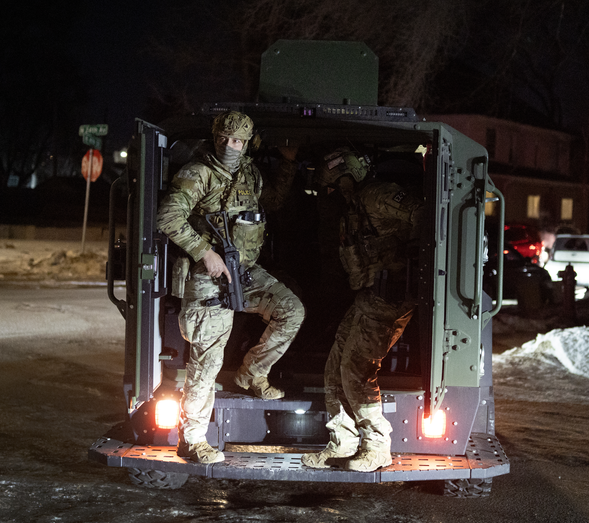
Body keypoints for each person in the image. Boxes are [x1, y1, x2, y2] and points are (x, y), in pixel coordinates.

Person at [157, 110, 305, 464]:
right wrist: (204, 252)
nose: (229, 146)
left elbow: (272, 203)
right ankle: (191, 440)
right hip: (207, 279)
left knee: (291, 310)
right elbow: (167, 216)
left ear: (247, 142)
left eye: (237, 141)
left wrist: (287, 164)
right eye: (224, 138)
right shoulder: (199, 173)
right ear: (215, 136)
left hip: (244, 272)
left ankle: (252, 374)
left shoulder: (249, 174)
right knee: (206, 365)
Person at [301, 148, 423, 472]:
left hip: (390, 297)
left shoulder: (376, 195)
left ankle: (377, 446)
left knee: (356, 369)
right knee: (335, 367)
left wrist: (411, 258)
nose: (339, 190)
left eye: (341, 182)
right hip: (370, 296)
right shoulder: (354, 206)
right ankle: (343, 443)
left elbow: (422, 213)